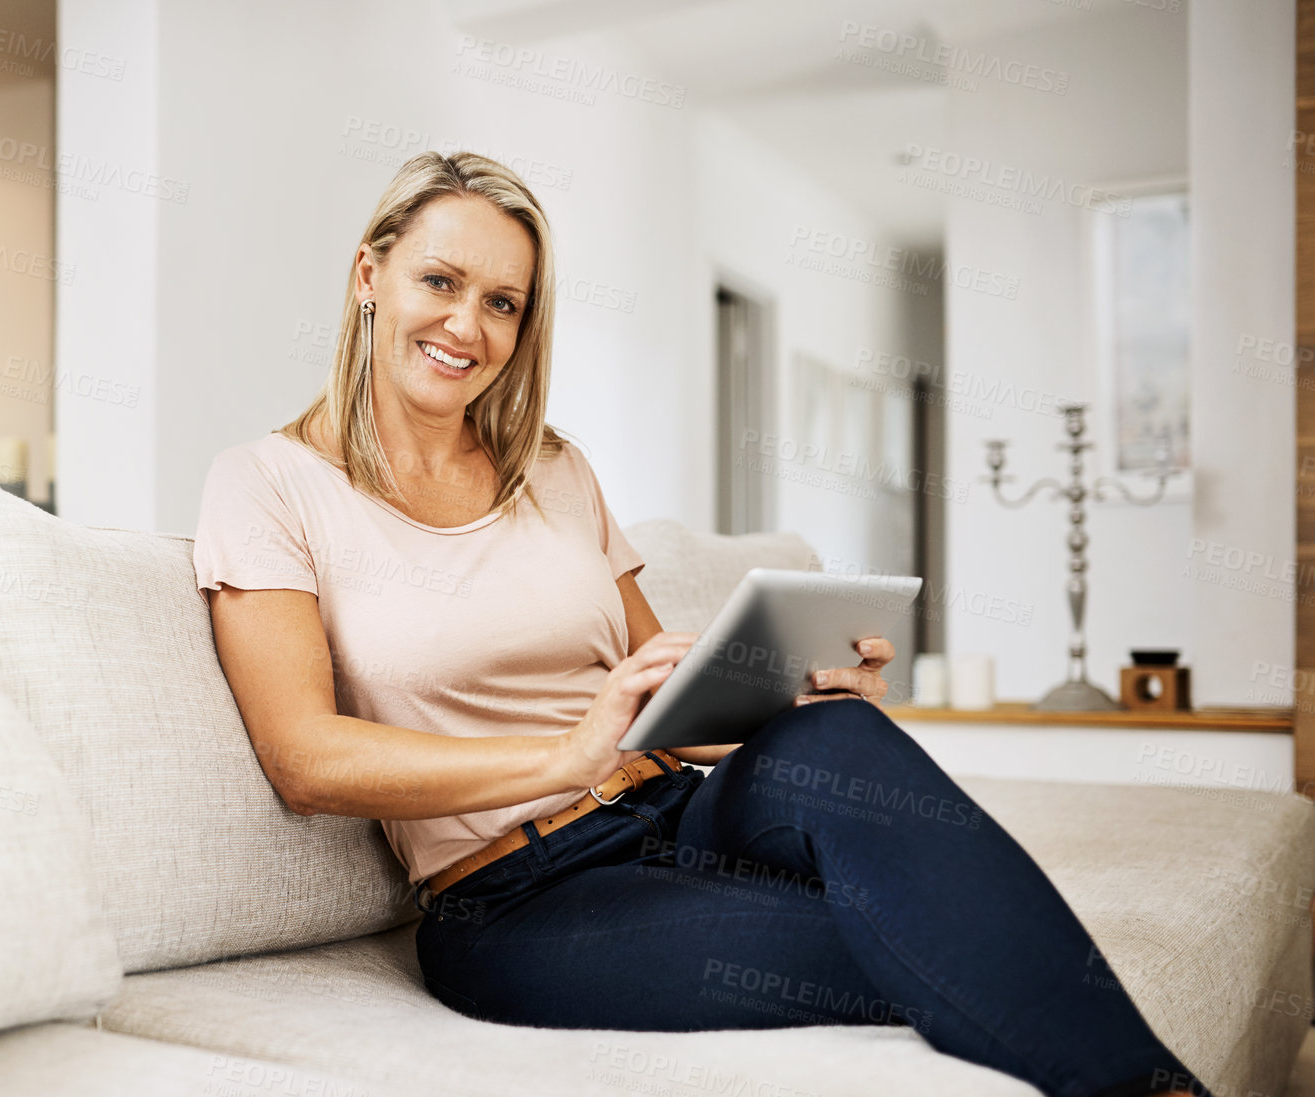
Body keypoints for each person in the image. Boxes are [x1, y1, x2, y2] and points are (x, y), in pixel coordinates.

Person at [191, 151, 1209, 1097]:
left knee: (836, 734)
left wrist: (793, 689)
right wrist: (568, 751)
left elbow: (666, 697)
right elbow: (305, 759)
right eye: (441, 282)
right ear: (371, 274)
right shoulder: (268, 485)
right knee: (919, 926)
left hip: (677, 806)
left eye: (504, 302)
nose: (469, 325)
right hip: (515, 896)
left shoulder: (554, 468)